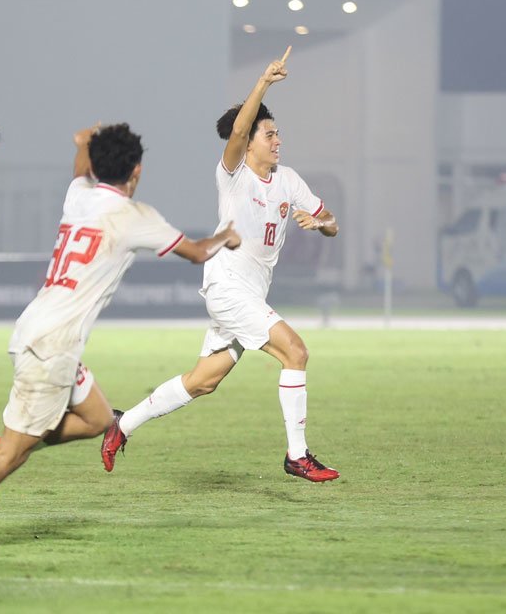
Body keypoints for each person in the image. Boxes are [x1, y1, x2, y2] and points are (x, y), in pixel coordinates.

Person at [0, 122, 240, 550]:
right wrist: (228, 234)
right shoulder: (136, 217)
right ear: (137, 171)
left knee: (97, 420)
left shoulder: (79, 195)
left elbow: (80, 171)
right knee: (11, 457)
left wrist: (80, 145)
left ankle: (6, 447)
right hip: (52, 347)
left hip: (40, 332)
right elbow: (198, 251)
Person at [101, 47, 342, 483]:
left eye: (278, 134)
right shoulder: (234, 175)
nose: (278, 140)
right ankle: (297, 455)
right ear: (249, 141)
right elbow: (236, 132)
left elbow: (332, 224)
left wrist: (320, 222)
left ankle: (123, 424)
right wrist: (263, 82)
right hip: (227, 285)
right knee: (296, 351)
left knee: (203, 381)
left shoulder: (288, 180)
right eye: (269, 134)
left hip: (251, 291)